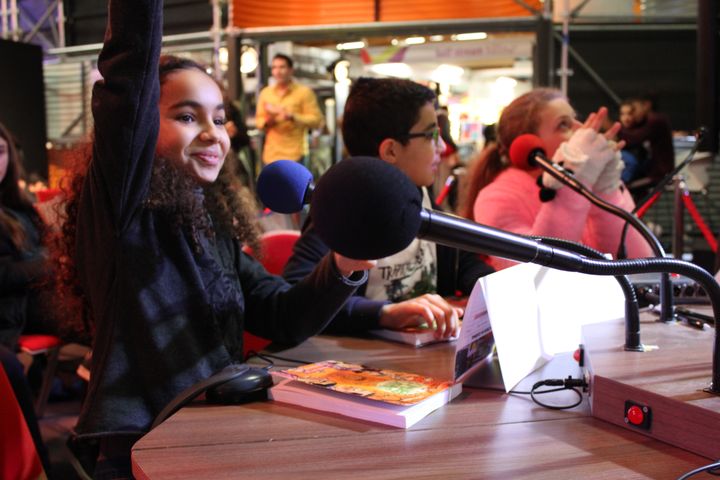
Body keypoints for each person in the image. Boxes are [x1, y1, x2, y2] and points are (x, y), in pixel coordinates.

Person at [53, 1, 374, 477]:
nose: (213, 134)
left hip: (215, 430)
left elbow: (280, 315)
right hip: (146, 448)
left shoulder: (209, 220)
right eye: (187, 117)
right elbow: (128, 80)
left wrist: (344, 264)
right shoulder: (125, 212)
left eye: (219, 118)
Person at [283, 77, 495, 340]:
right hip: (365, 360)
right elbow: (299, 299)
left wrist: (488, 287)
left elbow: (458, 260)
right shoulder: (344, 208)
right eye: (431, 135)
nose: (442, 146)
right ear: (391, 150)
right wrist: (384, 313)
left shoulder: (420, 192)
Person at [461, 88, 654, 271]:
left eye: (575, 120)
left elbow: (642, 266)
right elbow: (537, 273)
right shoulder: (496, 198)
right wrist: (574, 180)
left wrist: (605, 189)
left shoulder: (589, 181)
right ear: (529, 144)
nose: (580, 130)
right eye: (564, 124)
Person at [0, 122, 52, 475]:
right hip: (9, 313)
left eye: (1, 151)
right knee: (11, 368)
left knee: (112, 322)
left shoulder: (21, 208)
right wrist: (46, 265)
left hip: (35, 305)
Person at [255, 54, 324, 165]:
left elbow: (317, 120)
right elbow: (259, 121)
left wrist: (293, 117)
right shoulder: (266, 93)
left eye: (282, 67)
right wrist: (268, 121)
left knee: (296, 183)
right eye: (274, 67)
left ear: (291, 70)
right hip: (271, 155)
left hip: (295, 154)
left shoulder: (304, 93)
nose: (278, 71)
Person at [618, 94, 675, 183]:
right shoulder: (650, 121)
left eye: (634, 109)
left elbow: (634, 138)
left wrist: (612, 127)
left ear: (646, 105)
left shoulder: (655, 120)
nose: (633, 114)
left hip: (659, 172)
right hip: (653, 170)